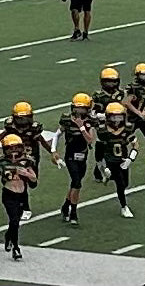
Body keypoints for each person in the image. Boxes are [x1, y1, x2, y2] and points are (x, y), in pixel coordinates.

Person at [0, 102, 62, 220]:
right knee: (21, 181)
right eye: (21, 119)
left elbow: (42, 141)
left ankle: (23, 205)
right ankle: (25, 208)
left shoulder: (33, 129)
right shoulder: (11, 127)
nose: (23, 122)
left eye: (26, 118)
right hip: (14, 157)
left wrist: (52, 152)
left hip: (31, 157)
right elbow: (1, 136)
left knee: (32, 183)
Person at [0, 134, 36, 261]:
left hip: (21, 194)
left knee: (15, 222)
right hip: (8, 194)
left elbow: (34, 178)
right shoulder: (1, 161)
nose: (14, 151)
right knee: (14, 220)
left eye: (16, 148)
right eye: (10, 148)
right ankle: (16, 248)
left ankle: (8, 236)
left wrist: (26, 173)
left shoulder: (27, 161)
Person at [51, 93, 96, 225]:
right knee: (76, 182)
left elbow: (90, 140)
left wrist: (81, 126)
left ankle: (66, 206)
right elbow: (57, 135)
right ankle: (73, 213)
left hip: (83, 155)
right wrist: (54, 151)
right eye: (77, 108)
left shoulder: (89, 121)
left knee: (75, 184)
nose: (79, 111)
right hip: (70, 155)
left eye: (82, 109)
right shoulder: (66, 120)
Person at [95, 102, 138, 218]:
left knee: (125, 183)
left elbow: (135, 143)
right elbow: (99, 150)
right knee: (120, 184)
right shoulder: (103, 131)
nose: (117, 120)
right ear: (108, 117)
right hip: (111, 160)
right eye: (114, 117)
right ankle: (124, 207)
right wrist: (103, 165)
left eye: (119, 117)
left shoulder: (127, 128)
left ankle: (109, 176)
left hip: (123, 160)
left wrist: (131, 158)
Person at [91, 67, 126, 182]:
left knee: (113, 146)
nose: (111, 84)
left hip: (116, 123)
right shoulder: (98, 96)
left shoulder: (120, 93)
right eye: (108, 81)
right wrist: (101, 116)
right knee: (101, 146)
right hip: (102, 123)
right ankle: (98, 169)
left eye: (113, 81)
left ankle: (110, 169)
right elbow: (92, 112)